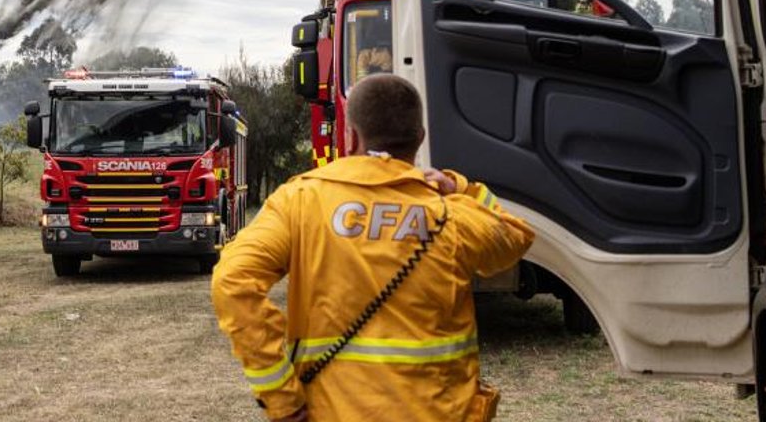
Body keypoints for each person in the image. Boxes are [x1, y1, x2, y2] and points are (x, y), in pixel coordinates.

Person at [211, 74, 534, 421]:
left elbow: (233, 280)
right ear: (419, 138)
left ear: (351, 136)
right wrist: (459, 187)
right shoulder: (448, 213)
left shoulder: (300, 200)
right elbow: (515, 236)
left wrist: (281, 397)